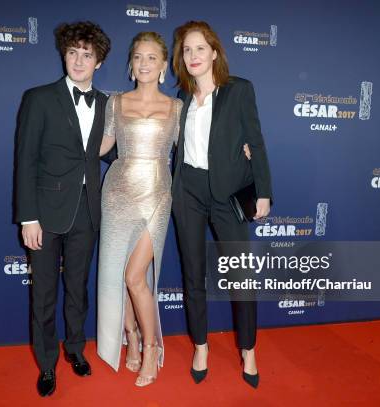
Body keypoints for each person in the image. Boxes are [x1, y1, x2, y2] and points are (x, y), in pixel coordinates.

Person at [171, 21, 273, 389]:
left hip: (227, 194)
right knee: (192, 273)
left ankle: (248, 349)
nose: (193, 56)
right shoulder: (179, 98)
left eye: (200, 48)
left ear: (214, 52)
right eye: (186, 50)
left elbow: (256, 143)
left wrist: (263, 192)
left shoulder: (239, 90)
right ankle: (201, 346)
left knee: (240, 276)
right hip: (188, 192)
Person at [14, 21, 111, 397]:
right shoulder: (39, 98)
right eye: (73, 52)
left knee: (78, 290)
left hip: (88, 212)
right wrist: (28, 217)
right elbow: (25, 160)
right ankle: (47, 363)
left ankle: (75, 349)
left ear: (98, 62)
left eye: (87, 55)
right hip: (45, 213)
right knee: (44, 295)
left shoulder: (107, 104)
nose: (79, 60)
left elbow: (118, 151)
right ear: (64, 54)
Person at [96, 32, 182, 387]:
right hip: (117, 194)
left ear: (163, 66)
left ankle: (150, 346)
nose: (143, 63)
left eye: (151, 58)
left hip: (157, 195)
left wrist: (241, 152)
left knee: (136, 276)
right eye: (137, 57)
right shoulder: (115, 103)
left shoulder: (177, 109)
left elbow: (194, 152)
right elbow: (101, 146)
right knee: (120, 275)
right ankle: (129, 336)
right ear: (130, 64)